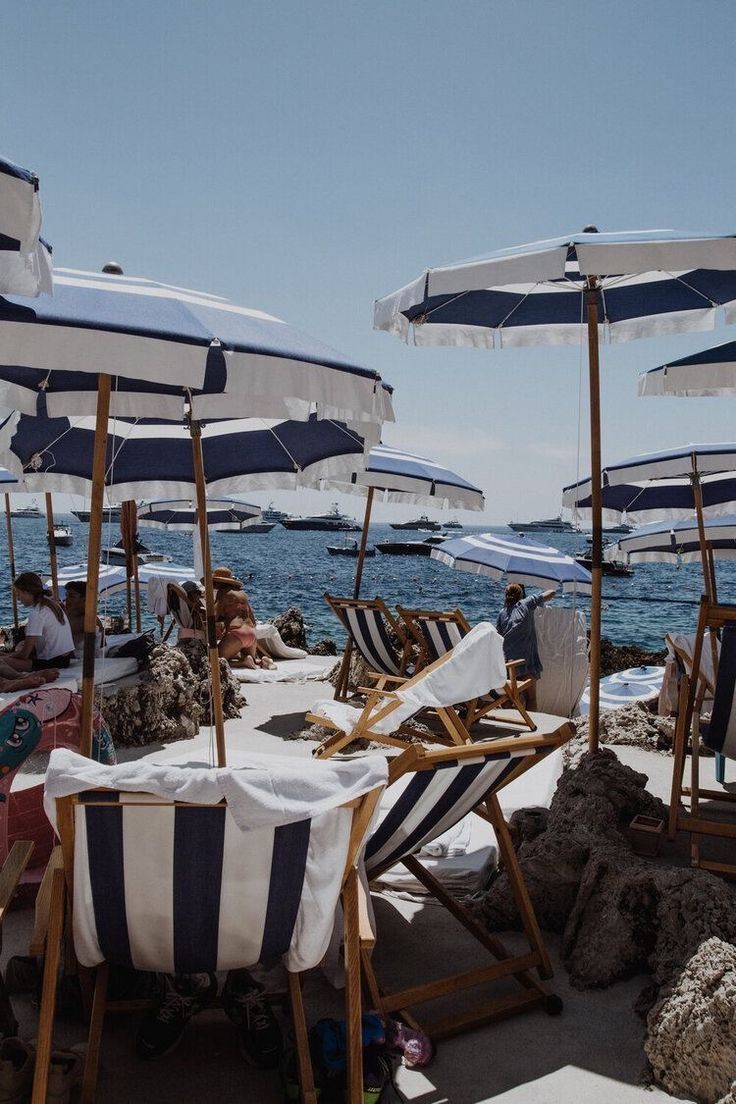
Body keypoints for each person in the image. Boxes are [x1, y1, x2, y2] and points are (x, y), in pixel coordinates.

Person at [0, 573, 74, 682]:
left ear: (27, 592)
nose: (18, 599)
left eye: (19, 594)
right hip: (64, 659)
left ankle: (23, 678)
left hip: (50, 662)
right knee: (16, 648)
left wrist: (7, 656)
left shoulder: (37, 613)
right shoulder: (52, 605)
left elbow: (24, 655)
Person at [495, 583, 557, 709]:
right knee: (531, 698)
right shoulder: (526, 604)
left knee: (508, 698)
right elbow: (551, 594)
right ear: (521, 595)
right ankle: (531, 723)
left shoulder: (501, 613)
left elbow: (498, 637)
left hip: (508, 664)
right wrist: (554, 585)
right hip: (527, 661)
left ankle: (508, 721)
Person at [215, 587, 275, 669]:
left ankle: (243, 663)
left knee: (216, 660)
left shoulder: (223, 591)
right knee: (251, 659)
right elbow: (253, 619)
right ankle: (263, 661)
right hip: (251, 633)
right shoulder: (243, 595)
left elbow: (214, 615)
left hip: (236, 633)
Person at [63, 581, 104, 659]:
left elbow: (61, 632)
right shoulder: (70, 614)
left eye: (71, 596)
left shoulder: (89, 619)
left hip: (80, 661)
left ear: (85, 599)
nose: (66, 599)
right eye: (66, 595)